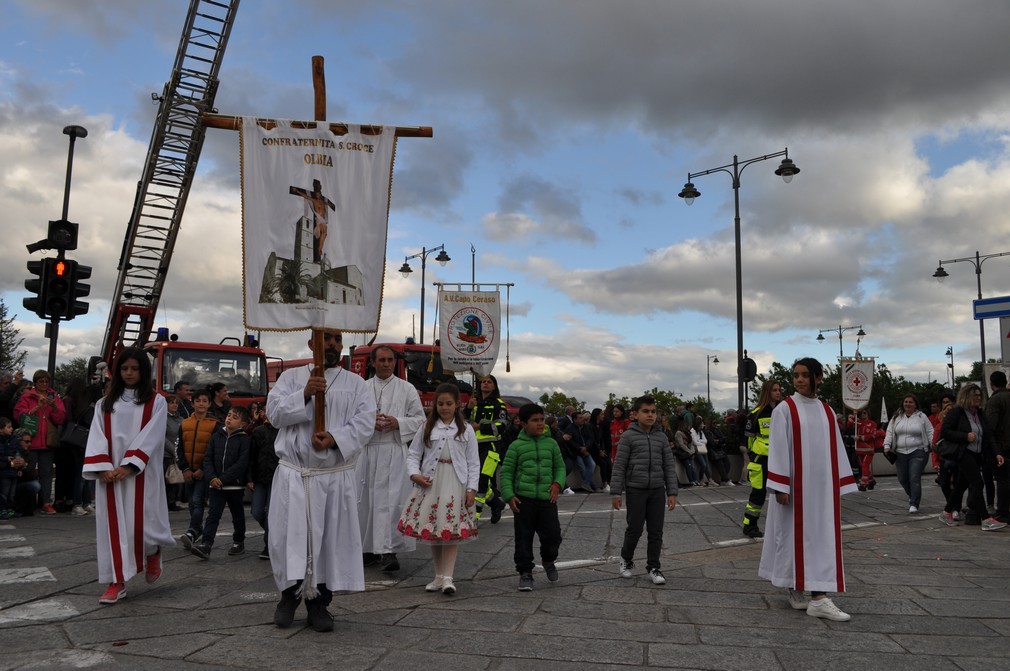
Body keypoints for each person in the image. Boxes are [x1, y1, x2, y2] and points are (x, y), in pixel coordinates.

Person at [267, 330, 375, 632]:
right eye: (326, 339)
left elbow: (365, 423)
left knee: (329, 540)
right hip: (295, 476)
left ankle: (319, 603)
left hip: (332, 478)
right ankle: (288, 597)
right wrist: (303, 393)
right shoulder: (291, 378)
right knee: (288, 538)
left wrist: (335, 439)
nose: (333, 345)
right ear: (311, 343)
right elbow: (273, 414)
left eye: (337, 340)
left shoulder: (356, 384)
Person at [758, 358, 856, 622]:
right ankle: (819, 598)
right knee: (796, 538)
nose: (799, 380)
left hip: (821, 490)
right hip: (795, 489)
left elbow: (836, 447)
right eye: (795, 375)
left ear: (818, 378)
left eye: (804, 375)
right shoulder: (785, 409)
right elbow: (777, 447)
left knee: (817, 538)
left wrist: (840, 483)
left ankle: (799, 588)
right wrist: (780, 485)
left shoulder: (826, 410)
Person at [82, 348, 174, 604]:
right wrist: (102, 468)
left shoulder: (156, 402)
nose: (130, 373)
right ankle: (117, 581)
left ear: (143, 371)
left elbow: (152, 436)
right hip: (110, 475)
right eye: (125, 369)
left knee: (144, 525)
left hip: (141, 474)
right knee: (113, 528)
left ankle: (152, 550)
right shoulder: (104, 403)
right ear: (117, 371)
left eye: (135, 369)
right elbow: (96, 435)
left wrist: (130, 465)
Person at [398, 382, 480, 596]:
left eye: (449, 404)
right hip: (431, 483)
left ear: (457, 405)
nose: (444, 408)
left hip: (455, 482)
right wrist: (415, 474)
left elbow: (473, 462)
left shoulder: (466, 430)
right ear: (435, 405)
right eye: (441, 404)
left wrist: (472, 488)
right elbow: (414, 454)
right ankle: (437, 576)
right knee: (434, 528)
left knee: (450, 531)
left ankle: (448, 577)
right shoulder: (426, 427)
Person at [356, 345, 426, 573]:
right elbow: (350, 418)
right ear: (373, 362)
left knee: (390, 503)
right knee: (365, 502)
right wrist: (368, 422)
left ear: (395, 363)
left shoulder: (407, 389)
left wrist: (399, 423)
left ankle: (388, 550)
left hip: (393, 450)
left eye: (390, 360)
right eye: (382, 360)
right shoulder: (361, 388)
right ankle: (368, 549)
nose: (386, 364)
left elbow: (421, 420)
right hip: (367, 452)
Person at [611, 395, 678, 585]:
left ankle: (654, 567)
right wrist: (616, 493)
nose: (650, 415)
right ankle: (626, 560)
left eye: (653, 412)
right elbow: (619, 466)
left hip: (657, 489)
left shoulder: (661, 437)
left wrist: (671, 492)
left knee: (656, 531)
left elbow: (669, 466)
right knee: (635, 528)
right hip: (636, 490)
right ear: (635, 414)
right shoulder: (628, 436)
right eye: (646, 411)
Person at [500, 403, 565, 591]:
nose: (539, 424)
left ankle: (548, 560)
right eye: (534, 420)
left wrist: (557, 484)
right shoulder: (516, 446)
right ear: (523, 423)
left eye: (542, 420)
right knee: (523, 538)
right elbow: (506, 473)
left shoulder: (551, 443)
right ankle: (525, 573)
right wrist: (509, 495)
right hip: (523, 500)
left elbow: (559, 467)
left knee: (553, 537)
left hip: (547, 500)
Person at [190, 406, 252, 559]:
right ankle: (206, 544)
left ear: (243, 423)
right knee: (213, 515)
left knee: (237, 514)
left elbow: (241, 464)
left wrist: (223, 478)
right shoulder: (217, 436)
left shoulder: (244, 439)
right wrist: (211, 478)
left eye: (235, 417)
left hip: (234, 485)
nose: (229, 418)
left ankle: (238, 541)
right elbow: (208, 459)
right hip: (215, 485)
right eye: (229, 415)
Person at [939, 383, 997, 527]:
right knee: (977, 482)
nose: (978, 398)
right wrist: (965, 436)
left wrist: (997, 453)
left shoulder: (980, 413)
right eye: (975, 395)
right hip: (964, 453)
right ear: (966, 396)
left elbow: (988, 435)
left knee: (961, 485)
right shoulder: (957, 412)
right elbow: (945, 432)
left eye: (979, 395)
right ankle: (985, 519)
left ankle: (946, 512)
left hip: (977, 454)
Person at [14, 370, 67, 514]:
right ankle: (28, 503)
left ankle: (45, 502)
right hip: (30, 441)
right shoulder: (27, 397)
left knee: (46, 473)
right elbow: (19, 416)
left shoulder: (54, 396)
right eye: (41, 381)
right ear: (35, 382)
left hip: (47, 442)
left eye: (46, 381)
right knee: (28, 472)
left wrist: (54, 406)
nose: (44, 384)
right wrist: (37, 406)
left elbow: (61, 419)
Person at [177, 389, 220, 549]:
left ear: (209, 404)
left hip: (204, 472)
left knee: (197, 500)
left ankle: (193, 530)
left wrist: (203, 469)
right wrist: (185, 468)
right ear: (193, 403)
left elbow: (214, 450)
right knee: (191, 503)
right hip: (189, 470)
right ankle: (197, 528)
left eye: (204, 401)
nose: (201, 404)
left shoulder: (214, 425)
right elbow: (178, 447)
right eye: (198, 401)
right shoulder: (184, 423)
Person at [465, 374, 508, 522]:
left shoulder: (499, 404)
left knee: (481, 481)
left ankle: (474, 517)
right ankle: (497, 504)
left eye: (489, 382)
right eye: (483, 382)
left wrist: (480, 427)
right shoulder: (473, 402)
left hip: (491, 448)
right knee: (479, 481)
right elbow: (462, 422)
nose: (485, 384)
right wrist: (467, 408)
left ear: (494, 386)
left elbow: (502, 426)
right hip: (472, 447)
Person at [742, 380, 783, 538]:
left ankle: (781, 526)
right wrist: (754, 456)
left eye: (779, 389)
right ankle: (749, 526)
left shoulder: (782, 411)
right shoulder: (755, 414)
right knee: (758, 495)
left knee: (782, 493)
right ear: (767, 392)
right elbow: (748, 440)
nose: (778, 393)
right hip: (761, 461)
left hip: (779, 460)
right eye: (774, 390)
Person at [882, 394, 933, 514]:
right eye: (906, 402)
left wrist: (934, 445)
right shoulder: (896, 417)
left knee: (914, 477)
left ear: (915, 404)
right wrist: (887, 446)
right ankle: (912, 494)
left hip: (918, 451)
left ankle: (914, 503)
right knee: (902, 478)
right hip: (900, 452)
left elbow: (930, 431)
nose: (908, 404)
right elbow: (889, 432)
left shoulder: (922, 417)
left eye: (911, 402)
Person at [249, 413, 279, 559]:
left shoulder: (283, 430)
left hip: (277, 477)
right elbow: (252, 455)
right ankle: (273, 533)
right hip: (260, 477)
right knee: (257, 511)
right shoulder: (258, 431)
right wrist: (249, 477)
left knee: (270, 513)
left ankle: (268, 544)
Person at [983, 371, 1010, 530]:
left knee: (1002, 479)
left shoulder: (995, 400)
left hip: (1001, 447)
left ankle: (1002, 512)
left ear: (992, 384)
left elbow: (990, 426)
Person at [0, 419, 24, 518]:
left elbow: (19, 452)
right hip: (4, 472)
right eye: (8, 427)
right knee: (3, 492)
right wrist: (6, 459)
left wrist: (20, 468)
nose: (11, 429)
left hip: (13, 470)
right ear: (1, 430)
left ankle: (10, 509)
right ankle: (2, 510)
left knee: (11, 493)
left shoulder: (13, 440)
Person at [849, 409, 878, 491]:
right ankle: (871, 480)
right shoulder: (858, 423)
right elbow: (848, 425)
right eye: (861, 413)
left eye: (864, 413)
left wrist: (860, 437)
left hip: (868, 449)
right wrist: (852, 416)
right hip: (859, 449)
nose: (862, 414)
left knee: (865, 465)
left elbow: (873, 436)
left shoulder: (873, 424)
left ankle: (863, 483)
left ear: (868, 414)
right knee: (863, 466)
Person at [164, 394, 183, 511]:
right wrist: (173, 450)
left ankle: (172, 502)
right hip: (165, 454)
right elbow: (162, 437)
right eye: (171, 402)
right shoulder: (162, 419)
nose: (175, 405)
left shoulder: (181, 419)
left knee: (174, 479)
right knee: (164, 480)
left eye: (176, 403)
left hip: (177, 454)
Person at [590, 408, 612, 493]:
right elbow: (593, 440)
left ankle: (609, 482)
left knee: (608, 462)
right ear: (597, 415)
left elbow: (601, 439)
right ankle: (604, 484)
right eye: (601, 414)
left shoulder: (601, 426)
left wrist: (602, 450)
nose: (603, 416)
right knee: (602, 463)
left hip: (600, 449)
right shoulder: (590, 426)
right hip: (593, 450)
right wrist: (599, 450)